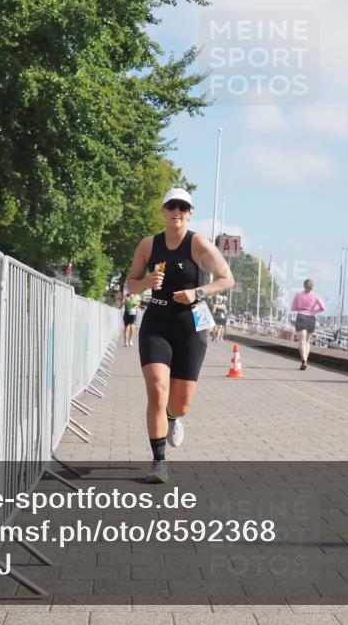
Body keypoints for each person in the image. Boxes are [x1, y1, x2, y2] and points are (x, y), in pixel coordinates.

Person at [125, 188, 233, 483]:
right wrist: (146, 282)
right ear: (163, 210)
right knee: (158, 391)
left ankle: (173, 419)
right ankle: (159, 461)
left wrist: (197, 292)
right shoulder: (149, 245)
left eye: (183, 207)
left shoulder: (197, 244)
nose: (177, 211)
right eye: (172, 206)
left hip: (190, 328)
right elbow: (130, 285)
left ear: (190, 213)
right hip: (156, 325)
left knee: (180, 403)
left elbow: (227, 278)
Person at [290, 278, 325, 370]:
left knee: (301, 340)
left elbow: (293, 308)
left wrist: (300, 308)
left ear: (303, 285)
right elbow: (323, 308)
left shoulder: (298, 295)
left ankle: (304, 360)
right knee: (307, 341)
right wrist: (314, 311)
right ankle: (306, 361)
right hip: (311, 318)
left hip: (301, 316)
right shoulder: (316, 296)